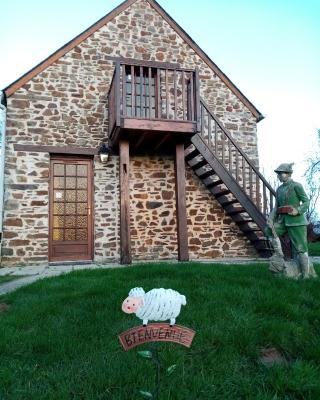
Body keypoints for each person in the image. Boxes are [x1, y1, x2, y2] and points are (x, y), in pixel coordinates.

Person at [265, 163, 316, 278]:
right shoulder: (279, 189)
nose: (278, 176)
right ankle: (279, 254)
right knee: (269, 230)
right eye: (278, 174)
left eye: (281, 173)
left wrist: (297, 210)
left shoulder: (297, 186)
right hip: (283, 220)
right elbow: (276, 206)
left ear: (288, 173)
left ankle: (306, 275)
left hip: (296, 221)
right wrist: (271, 218)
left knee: (300, 248)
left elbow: (306, 201)